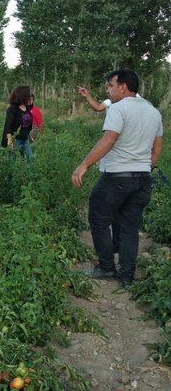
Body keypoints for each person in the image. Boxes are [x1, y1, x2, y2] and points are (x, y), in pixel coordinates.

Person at [71, 69, 163, 286]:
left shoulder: (118, 109)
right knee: (130, 226)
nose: (108, 90)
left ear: (123, 86)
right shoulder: (153, 112)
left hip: (116, 177)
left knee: (98, 216)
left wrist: (84, 165)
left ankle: (106, 267)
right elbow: (157, 150)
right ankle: (127, 275)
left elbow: (109, 139)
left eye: (110, 85)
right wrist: (141, 168)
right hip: (142, 179)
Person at [2, 86, 33, 160]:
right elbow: (8, 125)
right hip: (15, 139)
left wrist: (29, 136)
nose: (30, 95)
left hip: (25, 139)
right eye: (28, 94)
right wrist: (9, 141)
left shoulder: (26, 108)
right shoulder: (12, 109)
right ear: (23, 95)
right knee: (13, 160)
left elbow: (27, 124)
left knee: (29, 158)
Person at [76, 85, 141, 112]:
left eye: (111, 86)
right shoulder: (110, 101)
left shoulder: (138, 100)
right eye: (107, 88)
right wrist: (87, 96)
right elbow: (98, 107)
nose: (108, 91)